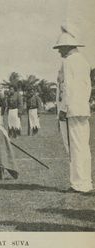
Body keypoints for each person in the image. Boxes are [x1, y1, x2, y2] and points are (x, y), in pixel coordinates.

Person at [54, 23, 93, 193]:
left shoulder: (69, 62)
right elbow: (87, 87)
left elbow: (68, 87)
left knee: (74, 147)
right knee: (82, 146)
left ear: (67, 46)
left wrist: (64, 108)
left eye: (60, 48)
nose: (59, 51)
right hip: (82, 108)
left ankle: (79, 184)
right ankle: (85, 181)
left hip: (71, 110)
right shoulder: (83, 61)